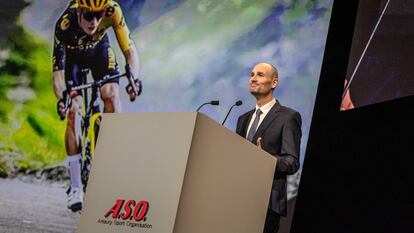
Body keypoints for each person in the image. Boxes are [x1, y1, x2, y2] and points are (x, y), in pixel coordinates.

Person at [52, 0, 141, 211]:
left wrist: (134, 79)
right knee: (73, 110)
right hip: (72, 60)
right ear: (79, 11)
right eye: (89, 15)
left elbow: (130, 52)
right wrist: (62, 99)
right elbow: (57, 74)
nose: (94, 21)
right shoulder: (65, 23)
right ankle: (75, 187)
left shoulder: (113, 10)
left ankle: (112, 159)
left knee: (110, 94)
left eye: (99, 15)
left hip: (100, 52)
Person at [236, 63, 302, 233]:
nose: (253, 78)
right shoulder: (243, 118)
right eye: (251, 74)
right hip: (238, 197)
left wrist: (264, 159)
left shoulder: (288, 117)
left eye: (260, 74)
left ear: (274, 83)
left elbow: (291, 163)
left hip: (267, 203)